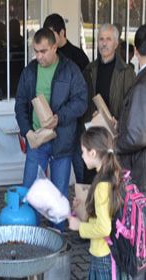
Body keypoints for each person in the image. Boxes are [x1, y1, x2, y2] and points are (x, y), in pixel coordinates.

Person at [15, 28, 87, 231]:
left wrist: (59, 117)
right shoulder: (30, 70)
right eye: (36, 51)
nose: (39, 56)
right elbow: (20, 103)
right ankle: (31, 232)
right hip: (36, 139)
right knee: (30, 190)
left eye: (43, 51)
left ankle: (57, 235)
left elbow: (81, 101)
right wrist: (27, 131)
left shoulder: (70, 70)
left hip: (62, 140)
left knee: (59, 192)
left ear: (55, 47)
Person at [68, 127, 127, 279]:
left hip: (104, 255)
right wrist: (81, 210)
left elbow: (104, 228)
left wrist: (79, 226)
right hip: (108, 252)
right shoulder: (113, 174)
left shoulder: (102, 185)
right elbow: (106, 214)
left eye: (83, 151)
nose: (81, 156)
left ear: (92, 153)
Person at [83, 23, 135, 184]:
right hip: (93, 135)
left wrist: (119, 121)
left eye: (108, 39)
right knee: (92, 181)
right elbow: (83, 99)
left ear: (116, 43)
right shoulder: (90, 70)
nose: (104, 43)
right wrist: (89, 115)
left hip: (114, 136)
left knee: (111, 183)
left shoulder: (126, 72)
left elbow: (131, 105)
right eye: (101, 39)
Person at [44, 13, 90, 185]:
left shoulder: (78, 57)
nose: (49, 40)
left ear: (62, 32)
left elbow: (84, 95)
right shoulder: (47, 58)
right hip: (53, 125)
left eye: (52, 35)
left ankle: (84, 203)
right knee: (57, 175)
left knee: (80, 168)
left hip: (76, 124)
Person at [117, 24, 146, 193]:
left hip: (140, 168)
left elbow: (136, 136)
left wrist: (113, 144)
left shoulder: (142, 85)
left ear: (135, 51)